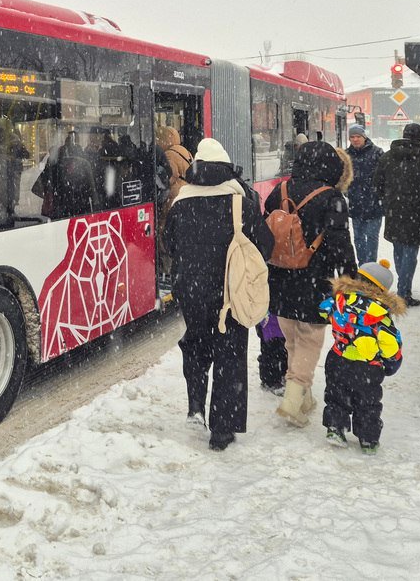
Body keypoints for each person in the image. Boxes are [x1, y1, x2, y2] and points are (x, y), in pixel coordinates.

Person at [164, 138, 273, 451]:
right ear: (227, 169)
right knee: (230, 354)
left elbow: (169, 245)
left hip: (191, 291)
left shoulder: (181, 202)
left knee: (196, 345)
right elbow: (264, 246)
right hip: (230, 292)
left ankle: (195, 406)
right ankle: (222, 429)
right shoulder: (240, 202)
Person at [265, 141, 358, 427]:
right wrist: (350, 278)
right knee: (309, 339)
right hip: (314, 279)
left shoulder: (277, 192)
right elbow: (340, 243)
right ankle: (293, 401)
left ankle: (304, 397)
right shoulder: (332, 197)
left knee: (293, 338)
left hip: (279, 277)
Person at [318, 259, 406, 454]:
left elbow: (323, 310)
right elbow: (389, 345)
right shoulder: (380, 315)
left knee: (336, 395)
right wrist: (393, 362)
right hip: (367, 367)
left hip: (338, 358)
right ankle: (368, 439)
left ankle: (335, 428)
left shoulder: (341, 300)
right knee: (368, 402)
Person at [372, 123, 420, 307]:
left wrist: (387, 199)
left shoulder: (387, 157)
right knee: (411, 250)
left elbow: (377, 182)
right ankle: (404, 291)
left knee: (399, 248)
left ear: (403, 134)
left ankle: (403, 286)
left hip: (394, 209)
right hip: (417, 211)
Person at [344, 123, 384, 264]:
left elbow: (384, 177)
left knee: (372, 236)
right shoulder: (346, 155)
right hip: (355, 203)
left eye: (358, 136)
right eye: (352, 137)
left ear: (364, 137)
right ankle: (362, 264)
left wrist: (380, 194)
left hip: (374, 203)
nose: (355, 140)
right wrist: (346, 192)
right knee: (358, 237)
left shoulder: (377, 153)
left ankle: (371, 265)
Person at [155, 125, 193, 205]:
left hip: (176, 193)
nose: (157, 143)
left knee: (165, 214)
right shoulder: (184, 151)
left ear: (164, 139)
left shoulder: (169, 154)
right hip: (187, 189)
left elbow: (172, 174)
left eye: (158, 139)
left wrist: (163, 185)